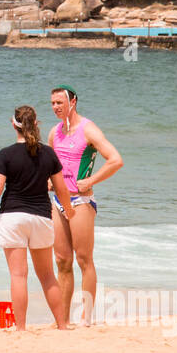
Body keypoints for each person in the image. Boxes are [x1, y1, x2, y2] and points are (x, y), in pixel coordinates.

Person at [0, 106, 76, 329]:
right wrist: (68, 210)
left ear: (12, 124)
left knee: (18, 275)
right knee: (47, 276)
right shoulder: (48, 153)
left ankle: (22, 328)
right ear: (36, 124)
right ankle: (62, 325)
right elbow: (61, 188)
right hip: (41, 216)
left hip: (13, 216)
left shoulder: (5, 154)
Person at [48, 85, 123, 326]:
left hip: (81, 202)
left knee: (83, 259)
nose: (56, 107)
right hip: (58, 202)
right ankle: (64, 318)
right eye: (53, 103)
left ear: (73, 102)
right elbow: (50, 165)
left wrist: (90, 180)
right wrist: (49, 181)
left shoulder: (88, 129)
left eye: (60, 102)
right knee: (62, 261)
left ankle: (86, 317)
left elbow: (115, 160)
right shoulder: (54, 133)